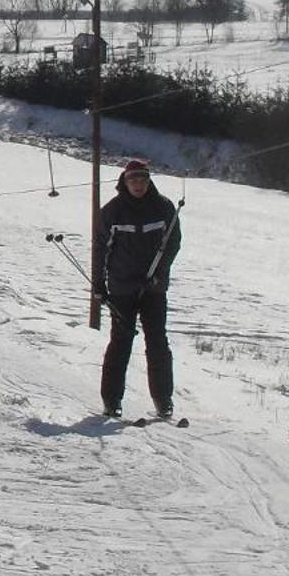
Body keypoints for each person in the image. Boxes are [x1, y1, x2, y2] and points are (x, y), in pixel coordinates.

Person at [95, 158, 182, 420]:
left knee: (157, 341)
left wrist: (159, 274)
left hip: (154, 288)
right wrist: (99, 284)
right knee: (121, 341)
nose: (138, 185)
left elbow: (173, 243)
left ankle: (163, 399)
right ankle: (111, 401)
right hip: (122, 288)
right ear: (125, 181)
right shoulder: (112, 211)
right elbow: (100, 248)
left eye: (142, 179)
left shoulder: (164, 207)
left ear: (148, 180)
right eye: (133, 180)